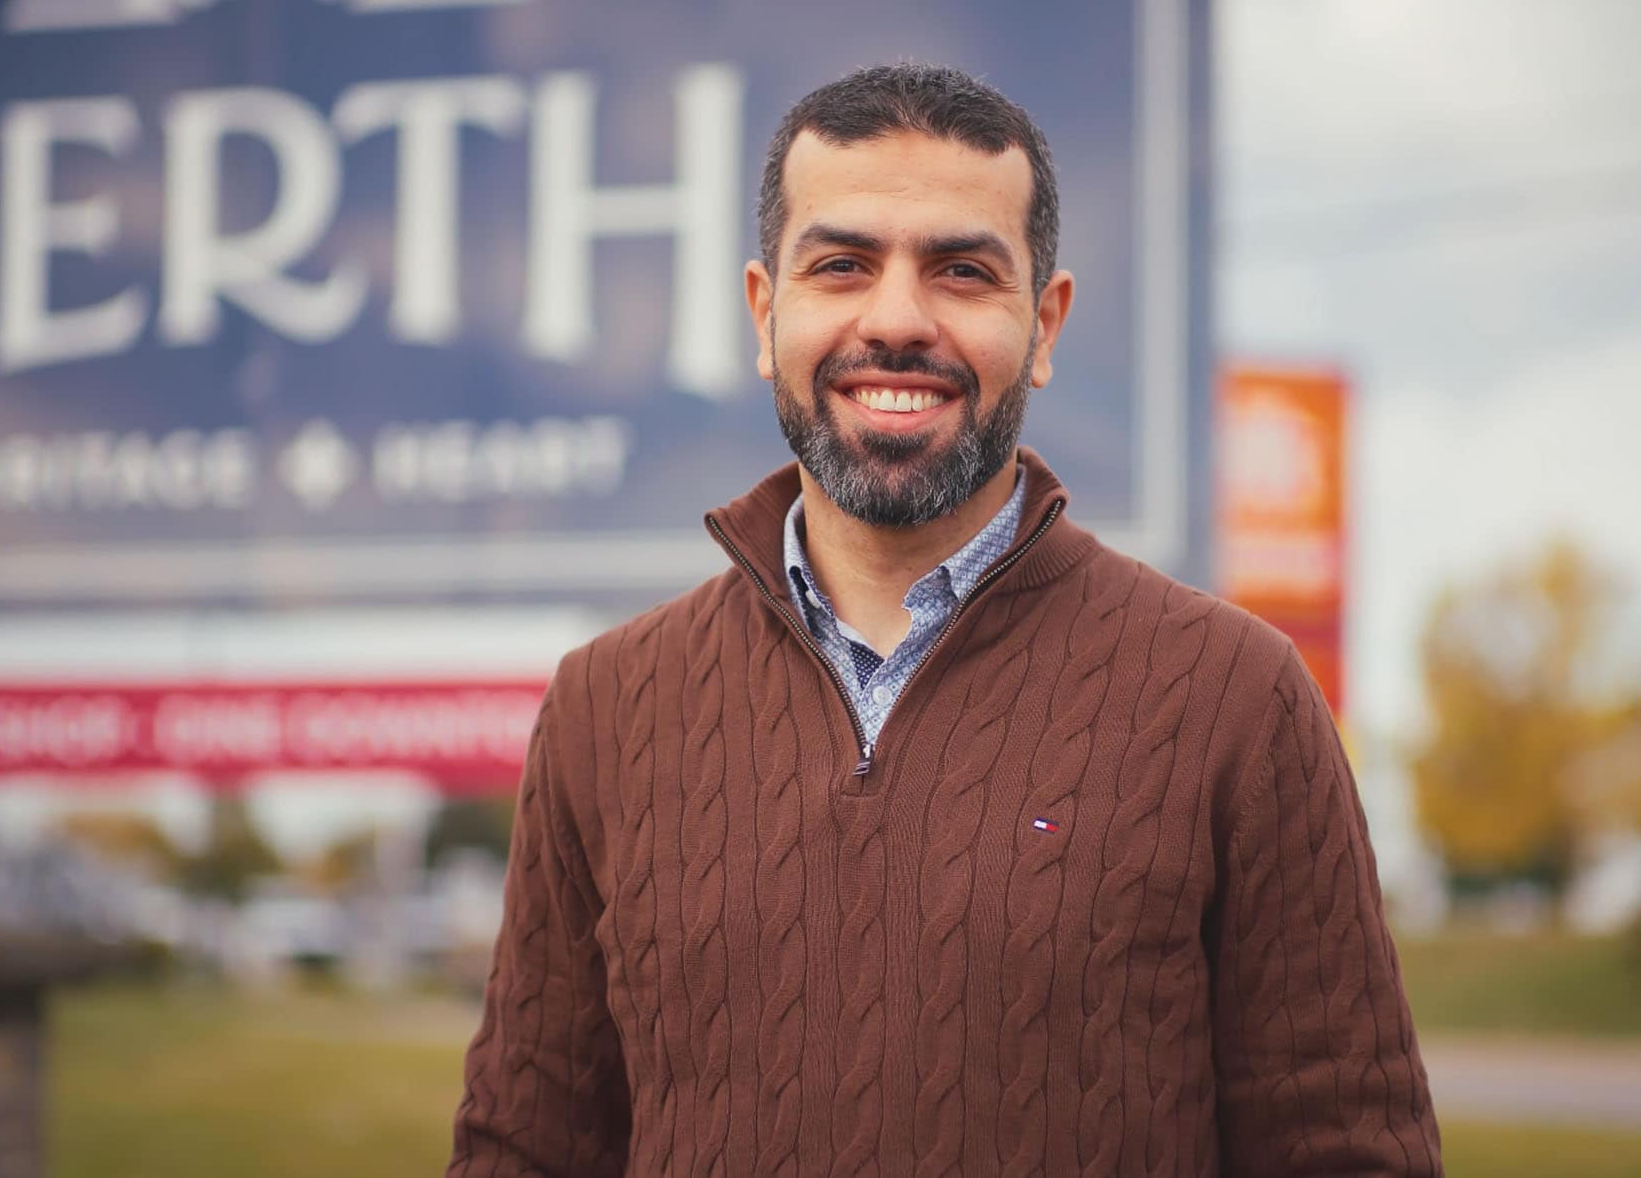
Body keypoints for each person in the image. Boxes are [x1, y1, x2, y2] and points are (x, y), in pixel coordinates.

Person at [447, 62, 1441, 1177]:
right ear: (764, 315)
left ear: (1045, 322)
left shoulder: (1231, 694)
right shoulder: (605, 703)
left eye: (962, 270)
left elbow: (1346, 1149)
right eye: (841, 265)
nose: (897, 319)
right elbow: (523, 1148)